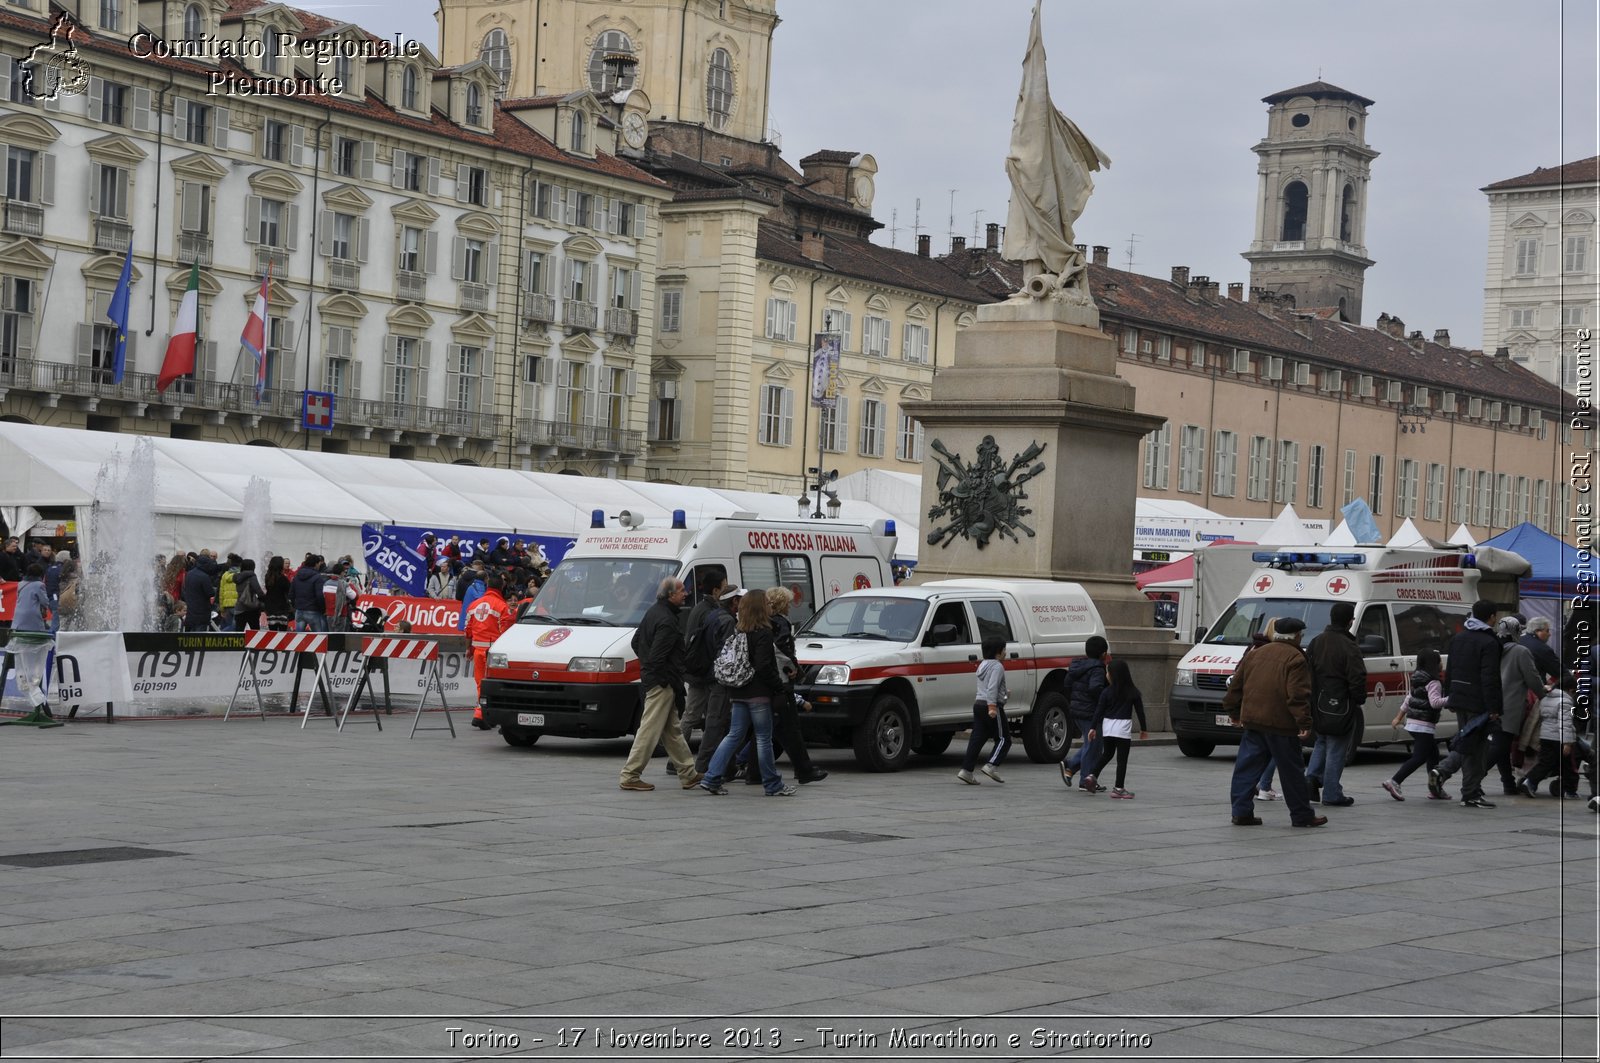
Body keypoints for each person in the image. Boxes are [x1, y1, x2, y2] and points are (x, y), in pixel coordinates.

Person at [1223, 616, 1325, 828]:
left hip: (1253, 721)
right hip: (1281, 725)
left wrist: (1233, 711)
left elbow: (1236, 686)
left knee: (1246, 769)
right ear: (1296, 636)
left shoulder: (1255, 654)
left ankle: (1241, 812)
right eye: (1301, 635)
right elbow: (1297, 695)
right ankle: (1302, 815)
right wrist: (1304, 723)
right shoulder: (1296, 658)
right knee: (1292, 773)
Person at [699, 590, 797, 797]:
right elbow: (763, 665)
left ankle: (711, 777)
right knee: (763, 738)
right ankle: (772, 784)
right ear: (761, 608)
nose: (771, 606)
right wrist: (778, 686)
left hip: (738, 690)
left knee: (734, 735)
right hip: (758, 693)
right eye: (767, 603)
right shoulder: (763, 633)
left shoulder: (739, 630)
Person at [618, 577, 702, 792]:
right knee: (648, 729)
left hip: (656, 679)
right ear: (671, 595)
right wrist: (661, 676)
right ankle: (630, 775)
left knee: (672, 731)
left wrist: (647, 668)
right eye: (682, 591)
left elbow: (637, 642)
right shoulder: (667, 620)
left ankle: (688, 773)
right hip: (662, 683)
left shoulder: (653, 612)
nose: (686, 594)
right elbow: (657, 657)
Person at [1430, 599, 1505, 808]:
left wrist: (1451, 695)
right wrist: (1494, 708)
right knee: (1477, 748)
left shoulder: (1459, 637)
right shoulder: (1489, 642)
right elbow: (1489, 677)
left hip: (1460, 698)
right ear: (1491, 617)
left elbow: (1450, 668)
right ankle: (1470, 792)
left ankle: (1464, 785)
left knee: (1468, 742)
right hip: (1478, 702)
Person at [1304, 601, 1367, 807]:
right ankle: (1331, 792)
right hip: (1342, 704)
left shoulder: (1317, 641)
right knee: (1337, 747)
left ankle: (1311, 779)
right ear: (1350, 621)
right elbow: (1357, 677)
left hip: (1318, 702)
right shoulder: (1349, 646)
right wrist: (1358, 698)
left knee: (1321, 741)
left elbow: (1307, 670)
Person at [766, 586, 827, 784]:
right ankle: (804, 769)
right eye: (789, 603)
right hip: (783, 682)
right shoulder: (782, 623)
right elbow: (782, 648)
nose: (791, 607)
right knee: (791, 729)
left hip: (769, 681)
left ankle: (753, 771)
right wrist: (795, 668)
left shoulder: (765, 622)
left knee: (764, 731)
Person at [1380, 648, 1450, 801]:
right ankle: (1395, 781)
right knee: (1419, 757)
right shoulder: (1434, 682)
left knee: (1433, 755)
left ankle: (1435, 788)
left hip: (1413, 723)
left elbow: (1408, 699)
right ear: (1434, 664)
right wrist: (1452, 699)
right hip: (1424, 725)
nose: (1441, 664)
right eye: (1439, 661)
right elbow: (1435, 703)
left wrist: (1398, 717)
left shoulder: (1417, 679)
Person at [1494, 615, 1547, 795]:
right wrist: (1543, 695)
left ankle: (1508, 783)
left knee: (1500, 746)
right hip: (1510, 705)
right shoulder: (1520, 651)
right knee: (1500, 747)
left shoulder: (1494, 647)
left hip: (1491, 703)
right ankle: (1473, 780)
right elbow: (1532, 678)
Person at [677, 567, 728, 755]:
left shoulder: (701, 608)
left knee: (706, 716)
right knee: (692, 716)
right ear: (715, 591)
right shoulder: (709, 612)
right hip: (702, 673)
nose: (726, 590)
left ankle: (707, 755)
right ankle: (677, 759)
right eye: (724, 587)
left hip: (698, 671)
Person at [1082, 658, 1149, 798]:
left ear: (1113, 675)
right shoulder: (1133, 692)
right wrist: (1143, 729)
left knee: (1107, 754)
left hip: (1108, 726)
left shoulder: (1106, 692)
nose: (1106, 675)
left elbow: (1099, 711)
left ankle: (1092, 775)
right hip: (1123, 727)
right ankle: (1118, 788)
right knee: (1122, 760)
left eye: (1108, 672)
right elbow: (1140, 712)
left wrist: (1093, 728)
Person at [694, 586, 743, 776]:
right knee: (715, 723)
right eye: (739, 599)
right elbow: (727, 654)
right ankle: (702, 766)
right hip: (720, 680)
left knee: (723, 722)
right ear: (734, 602)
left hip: (710, 676)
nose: (741, 603)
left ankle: (729, 768)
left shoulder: (713, 616)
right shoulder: (727, 621)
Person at [463, 573, 516, 730]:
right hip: (493, 653)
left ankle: (481, 714)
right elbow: (505, 633)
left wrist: (469, 649)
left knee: (481, 684)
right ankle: (484, 715)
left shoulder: (473, 605)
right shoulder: (502, 607)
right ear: (501, 587)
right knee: (497, 685)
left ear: (487, 586)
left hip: (477, 649)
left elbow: (468, 630)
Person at [958, 635, 1012, 785]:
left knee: (977, 739)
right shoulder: (997, 666)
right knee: (1004, 739)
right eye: (1004, 650)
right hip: (991, 706)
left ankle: (966, 771)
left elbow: (987, 686)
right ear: (998, 652)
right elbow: (992, 687)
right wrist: (993, 707)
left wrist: (1004, 693)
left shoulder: (982, 665)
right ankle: (991, 765)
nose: (1006, 653)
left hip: (978, 704)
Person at [1058, 634, 1109, 791]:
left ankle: (1071, 766)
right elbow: (1095, 688)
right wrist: (1104, 698)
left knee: (1093, 744)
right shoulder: (1098, 669)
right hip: (1090, 711)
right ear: (1104, 654)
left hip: (1077, 709)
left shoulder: (1077, 665)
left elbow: (1067, 683)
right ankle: (1085, 779)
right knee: (1093, 745)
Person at [1520, 673, 1580, 798]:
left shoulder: (1547, 698)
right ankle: (1570, 791)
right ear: (1570, 690)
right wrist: (1567, 742)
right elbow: (1565, 723)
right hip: (1558, 738)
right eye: (1574, 692)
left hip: (1545, 736)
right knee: (1568, 766)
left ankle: (1529, 781)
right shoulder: (1566, 701)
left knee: (1545, 762)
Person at [6, 563, 54, 716]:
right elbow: (45, 602)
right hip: (32, 621)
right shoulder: (39, 585)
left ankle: (34, 695)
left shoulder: (21, 584)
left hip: (18, 622)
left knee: (21, 654)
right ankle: (38, 697)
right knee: (35, 653)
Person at [290, 554, 328, 632]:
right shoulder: (317, 577)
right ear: (316, 564)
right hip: (313, 610)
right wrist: (323, 609)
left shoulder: (297, 576)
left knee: (298, 637)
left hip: (299, 610)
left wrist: (296, 605)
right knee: (318, 637)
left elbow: (291, 594)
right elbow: (320, 596)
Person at [181, 553, 217, 631]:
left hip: (190, 609)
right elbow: (210, 593)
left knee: (192, 635)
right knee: (200, 635)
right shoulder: (204, 576)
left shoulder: (189, 574)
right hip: (202, 611)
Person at [1521, 616, 1561, 682]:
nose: (1549, 634)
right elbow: (1559, 672)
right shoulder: (1542, 649)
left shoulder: (1518, 640)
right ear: (1537, 631)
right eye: (1547, 631)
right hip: (1535, 688)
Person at [263, 556, 292, 631]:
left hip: (270, 608)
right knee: (282, 633)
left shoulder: (267, 577)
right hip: (282, 608)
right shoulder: (283, 578)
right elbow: (289, 590)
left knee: (272, 632)